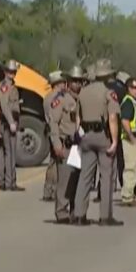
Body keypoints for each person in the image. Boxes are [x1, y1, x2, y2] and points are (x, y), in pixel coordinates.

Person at [71, 59, 122, 226]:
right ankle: (105, 216)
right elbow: (113, 118)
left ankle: (79, 214)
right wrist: (114, 141)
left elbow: (77, 116)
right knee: (106, 176)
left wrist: (80, 135)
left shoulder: (83, 92)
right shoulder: (109, 93)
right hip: (102, 135)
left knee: (85, 176)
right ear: (107, 75)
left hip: (86, 135)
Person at [50, 67, 85, 223]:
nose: (77, 84)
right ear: (68, 82)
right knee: (64, 182)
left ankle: (75, 212)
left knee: (77, 181)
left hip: (80, 146)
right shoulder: (61, 100)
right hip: (66, 145)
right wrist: (56, 144)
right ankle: (61, 212)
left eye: (80, 81)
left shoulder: (83, 98)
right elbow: (53, 123)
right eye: (75, 81)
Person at [0, 59, 24, 191]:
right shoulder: (4, 86)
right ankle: (10, 183)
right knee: (10, 152)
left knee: (3, 152)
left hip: (10, 120)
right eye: (10, 71)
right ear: (5, 72)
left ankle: (0, 181)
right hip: (7, 122)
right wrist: (11, 122)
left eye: (14, 72)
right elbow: (4, 105)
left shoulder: (12, 85)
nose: (12, 74)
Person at [119, 77, 136, 206]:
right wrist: (132, 138)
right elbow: (124, 121)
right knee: (130, 168)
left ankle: (133, 195)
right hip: (131, 140)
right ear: (129, 88)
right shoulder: (128, 102)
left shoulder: (135, 102)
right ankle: (127, 197)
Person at [43, 70, 66, 202]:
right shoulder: (57, 99)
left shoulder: (47, 97)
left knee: (52, 162)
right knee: (57, 163)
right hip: (57, 131)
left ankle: (48, 190)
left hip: (51, 130)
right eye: (62, 82)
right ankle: (52, 189)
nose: (64, 85)